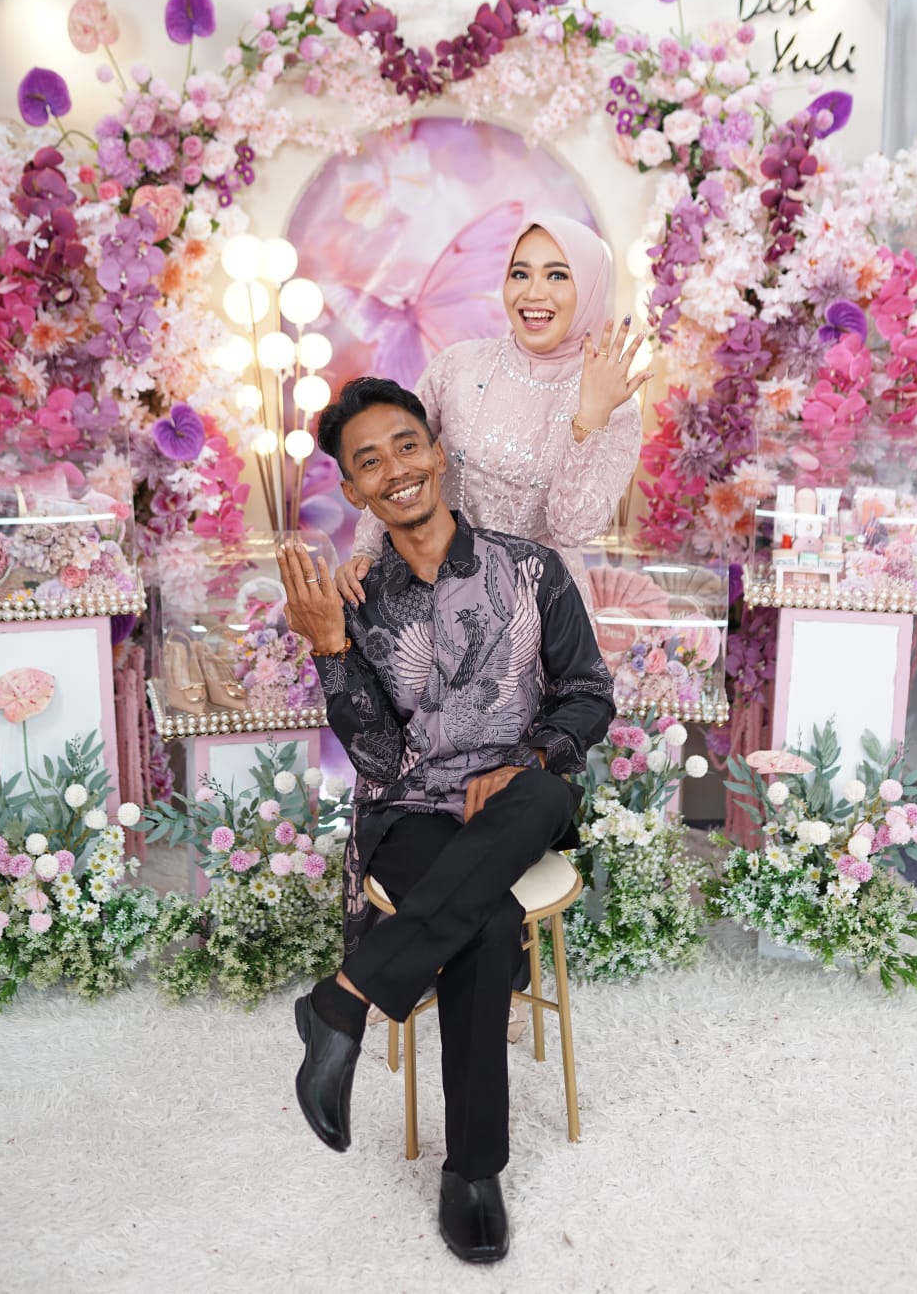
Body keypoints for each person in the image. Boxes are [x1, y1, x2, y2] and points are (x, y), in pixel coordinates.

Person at [278, 376, 614, 1266]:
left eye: (407, 445)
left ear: (436, 452)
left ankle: (346, 999)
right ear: (354, 490)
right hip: (413, 813)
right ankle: (473, 1173)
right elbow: (378, 760)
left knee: (544, 793)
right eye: (369, 462)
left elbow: (588, 693)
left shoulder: (531, 569)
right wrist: (328, 647)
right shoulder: (358, 603)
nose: (395, 469)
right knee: (488, 921)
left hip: (518, 796)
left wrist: (527, 758)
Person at [334, 213, 650, 612]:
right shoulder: (459, 366)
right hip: (435, 595)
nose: (533, 293)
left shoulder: (615, 405)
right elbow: (397, 463)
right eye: (520, 274)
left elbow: (571, 529)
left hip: (540, 613)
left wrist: (589, 420)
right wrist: (367, 551)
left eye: (557, 275)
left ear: (589, 286)